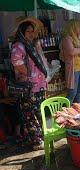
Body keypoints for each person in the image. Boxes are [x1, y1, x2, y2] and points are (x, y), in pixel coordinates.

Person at [10, 21, 48, 150]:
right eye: (28, 31)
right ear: (22, 32)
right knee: (30, 115)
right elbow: (16, 61)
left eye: (33, 31)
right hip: (28, 86)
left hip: (38, 85)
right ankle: (37, 141)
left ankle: (38, 137)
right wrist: (29, 75)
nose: (31, 34)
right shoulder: (18, 46)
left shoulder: (28, 45)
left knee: (37, 113)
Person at [60, 20, 80, 103]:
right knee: (72, 93)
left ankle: (79, 112)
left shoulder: (77, 38)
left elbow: (79, 52)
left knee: (79, 92)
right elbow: (72, 52)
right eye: (78, 27)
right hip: (73, 69)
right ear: (73, 27)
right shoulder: (67, 39)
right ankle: (66, 112)